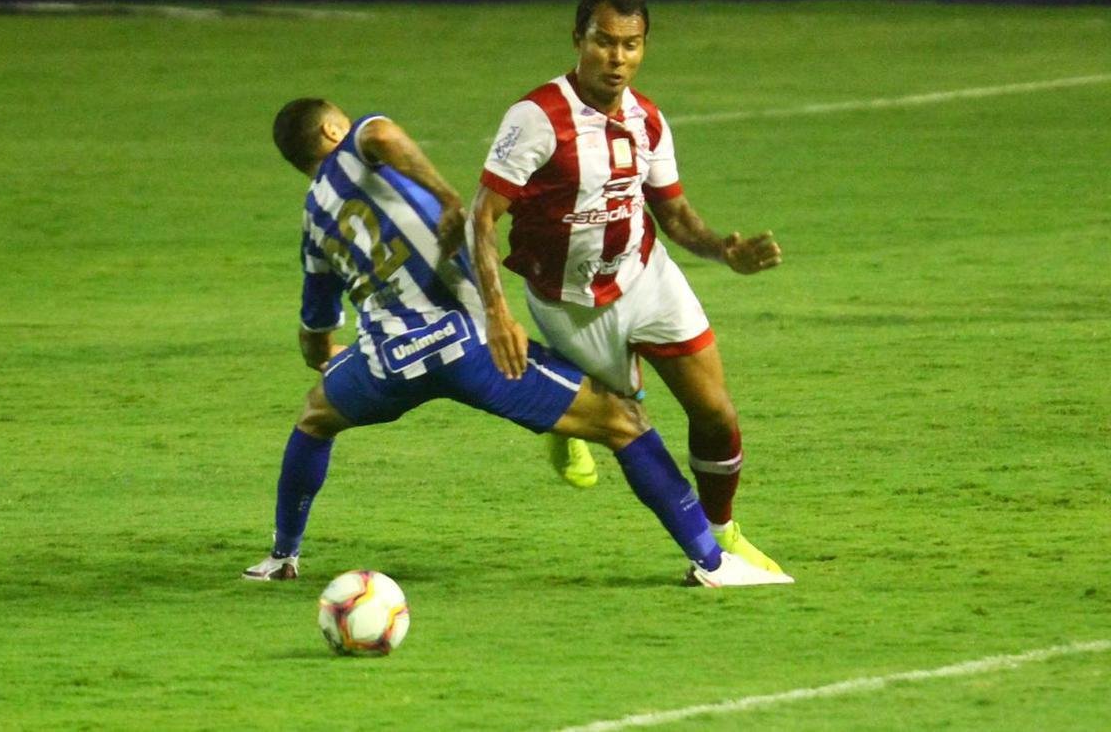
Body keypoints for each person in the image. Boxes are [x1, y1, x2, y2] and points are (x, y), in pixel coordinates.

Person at [241, 97, 791, 588]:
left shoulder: (313, 224)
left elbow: (315, 340)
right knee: (623, 421)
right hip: (470, 348)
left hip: (388, 362)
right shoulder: (361, 144)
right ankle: (713, 564)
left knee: (315, 417)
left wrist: (347, 362)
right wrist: (449, 197)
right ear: (333, 132)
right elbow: (383, 134)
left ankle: (282, 556)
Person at [470, 0, 788, 575]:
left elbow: (673, 215)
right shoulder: (537, 118)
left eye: (631, 45)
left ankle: (724, 535)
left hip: (645, 277)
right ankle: (565, 417)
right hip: (570, 302)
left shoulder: (649, 120)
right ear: (578, 39)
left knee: (716, 412)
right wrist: (496, 310)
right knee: (625, 417)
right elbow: (480, 217)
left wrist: (725, 251)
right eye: (604, 42)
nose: (617, 59)